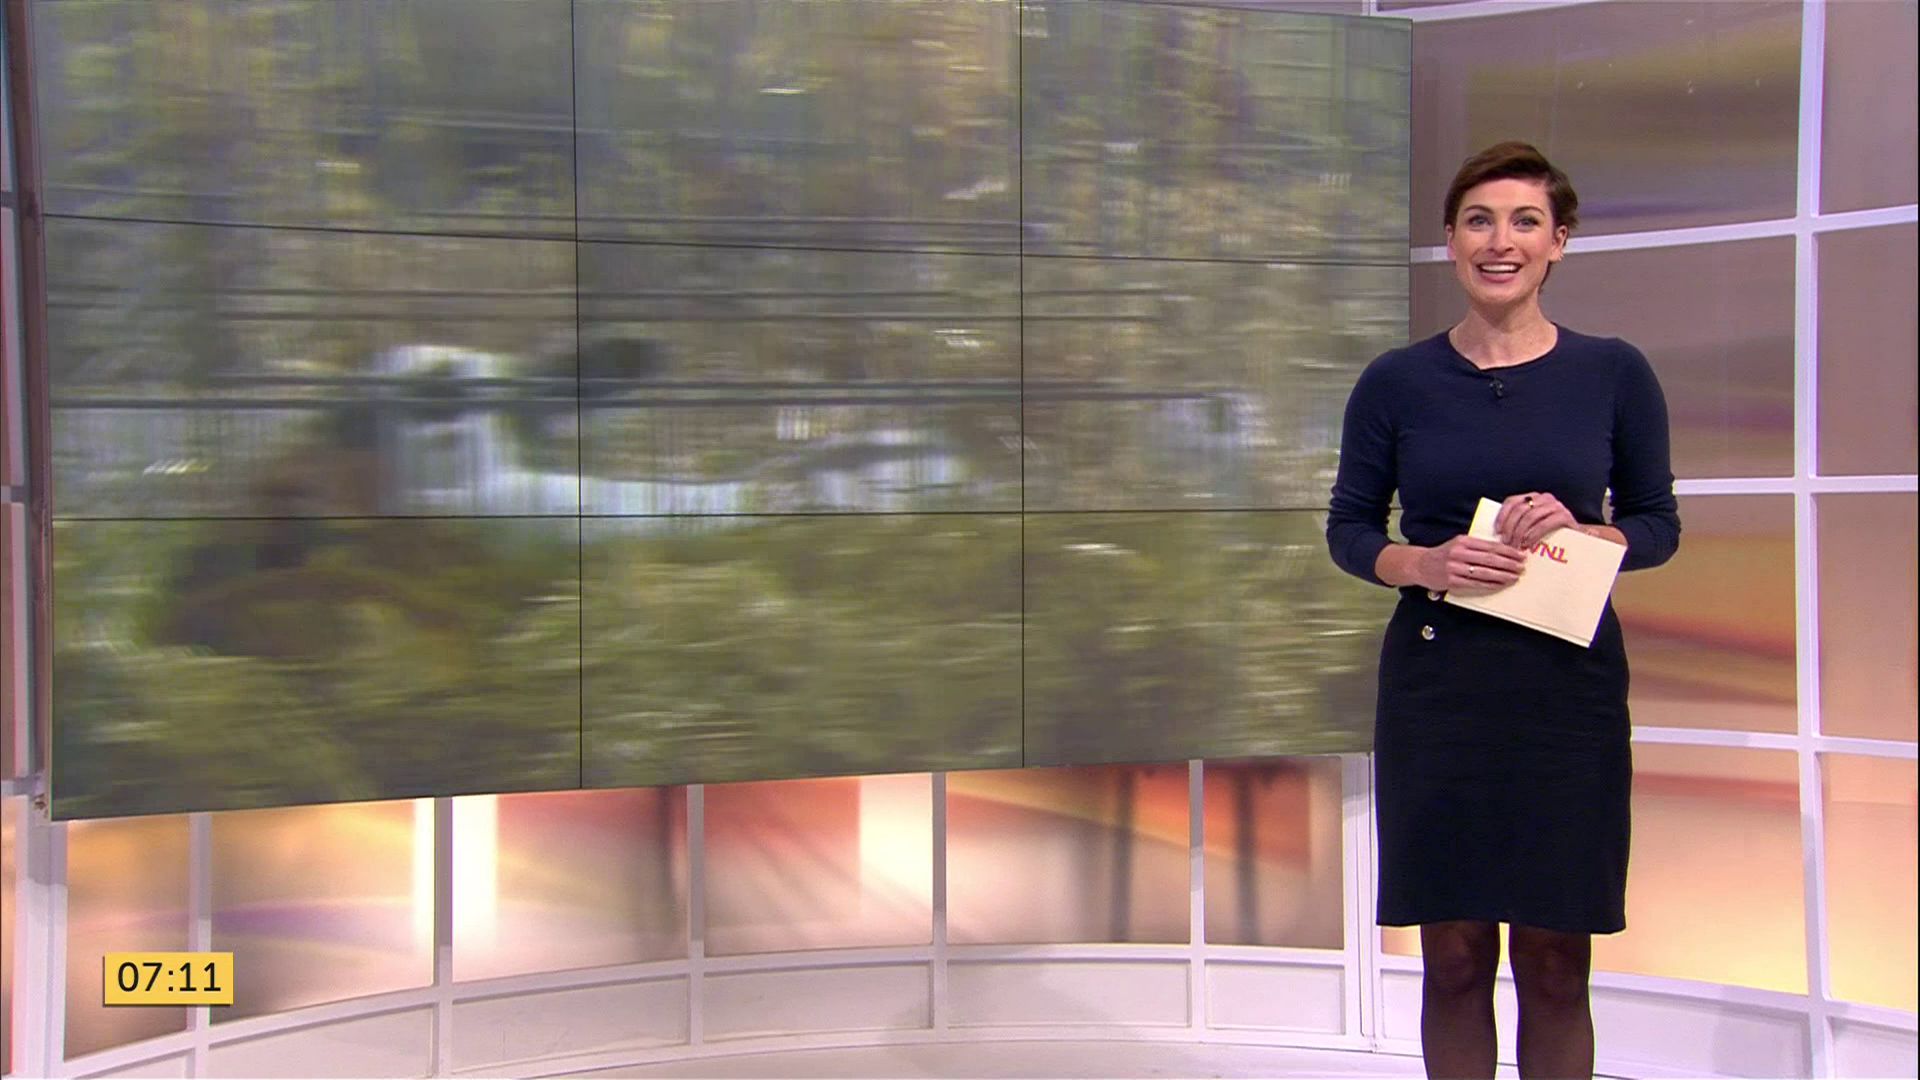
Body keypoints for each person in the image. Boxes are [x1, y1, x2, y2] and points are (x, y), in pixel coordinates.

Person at [1325, 141, 1681, 1079]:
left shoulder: (1613, 371)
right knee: (1452, 955)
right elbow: (1349, 530)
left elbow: (1658, 525)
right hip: (1439, 690)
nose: (1501, 241)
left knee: (1557, 960)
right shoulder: (1396, 381)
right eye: (1479, 221)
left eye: (1526, 222)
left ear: (1558, 242)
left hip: (1567, 695)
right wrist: (1424, 561)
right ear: (1451, 241)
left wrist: (1589, 532)